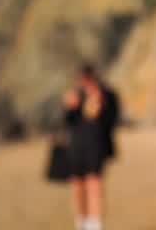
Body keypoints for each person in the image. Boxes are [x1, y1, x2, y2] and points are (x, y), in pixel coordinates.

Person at [63, 64, 120, 230]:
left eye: (87, 78)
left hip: (96, 147)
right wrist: (70, 106)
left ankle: (95, 225)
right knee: (77, 186)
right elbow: (67, 121)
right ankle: (81, 222)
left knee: (95, 184)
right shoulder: (75, 95)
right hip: (76, 148)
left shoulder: (106, 94)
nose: (84, 81)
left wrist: (100, 105)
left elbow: (112, 119)